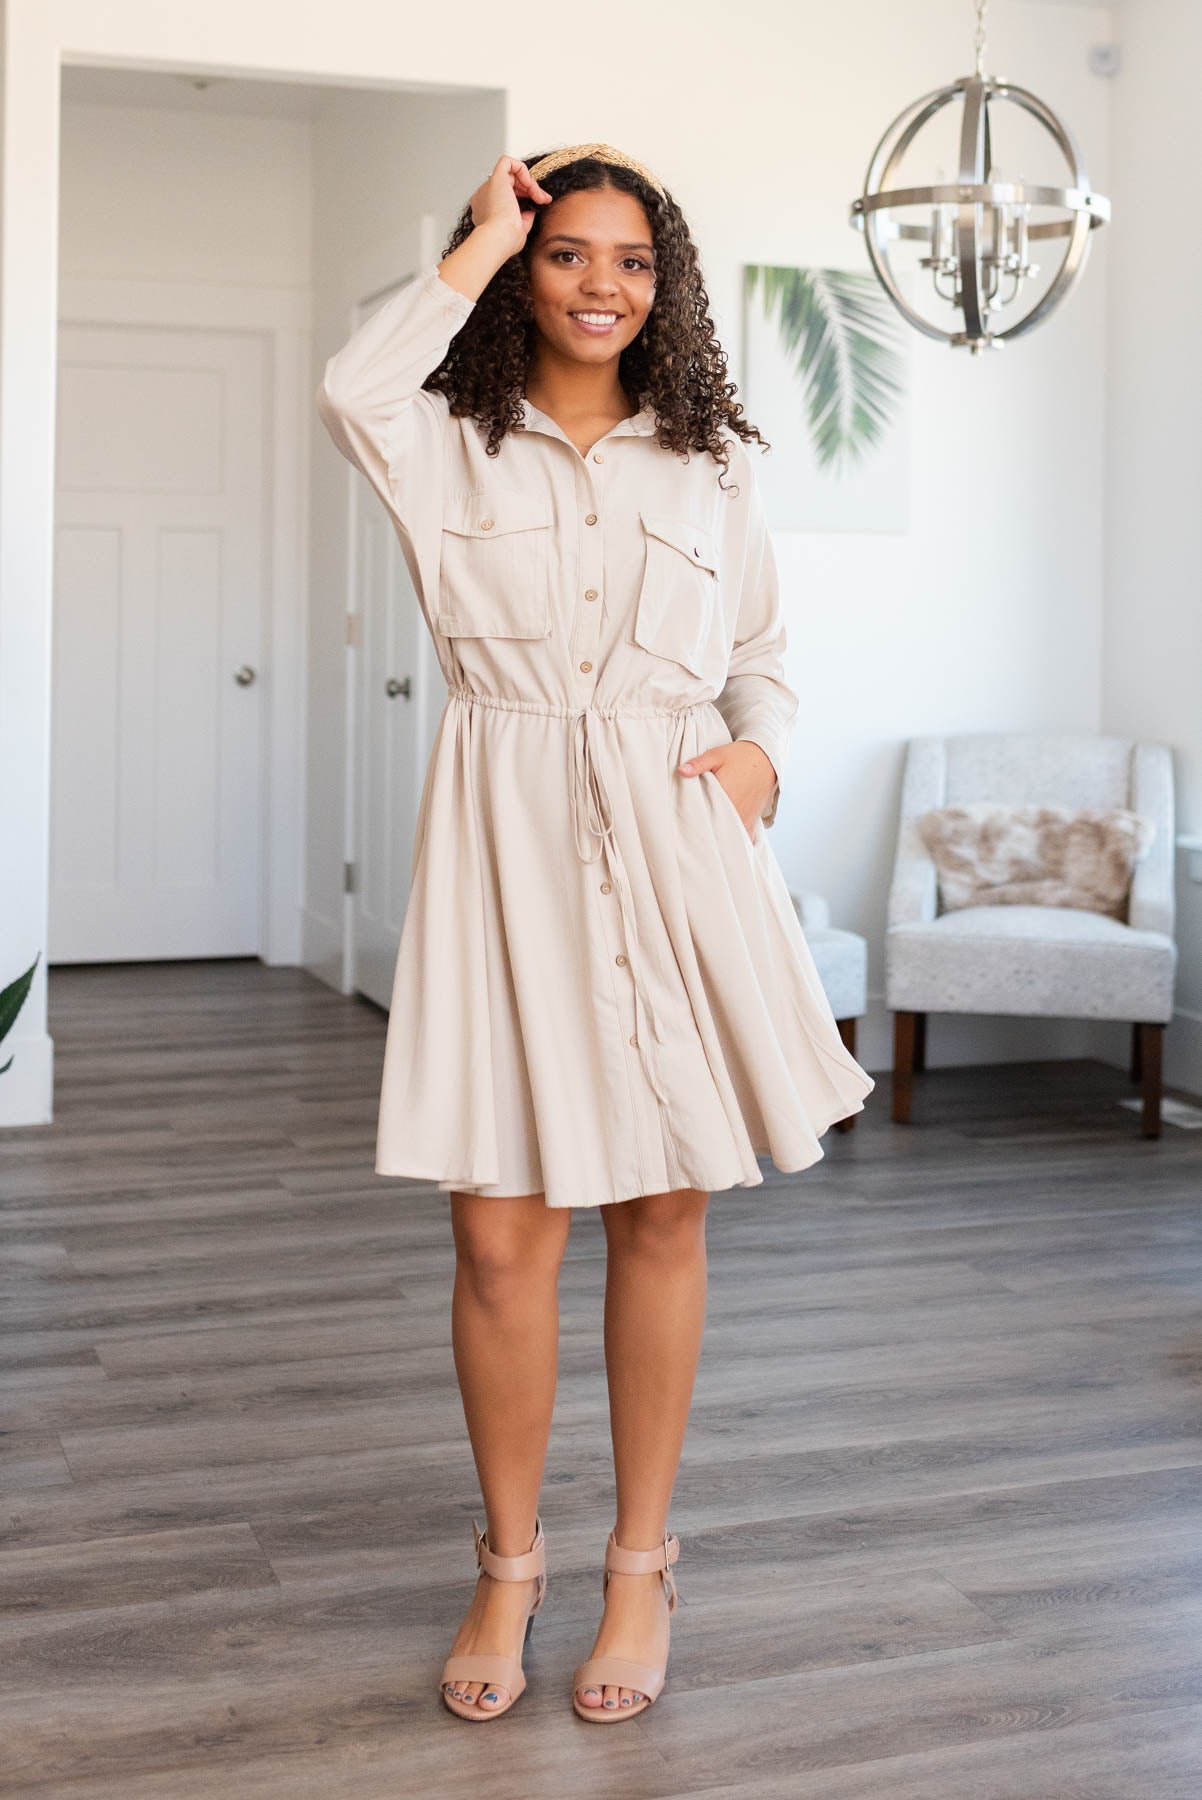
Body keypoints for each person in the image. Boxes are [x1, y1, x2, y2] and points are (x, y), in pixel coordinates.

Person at [315, 142, 875, 1726]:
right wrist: (476, 237)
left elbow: (758, 647)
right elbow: (350, 384)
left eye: (630, 259)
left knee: (662, 1215)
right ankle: (508, 1562)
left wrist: (760, 750)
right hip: (504, 839)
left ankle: (640, 1564)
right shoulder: (442, 438)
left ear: (664, 285)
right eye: (566, 253)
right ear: (519, 264)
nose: (600, 284)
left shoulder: (706, 460)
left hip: (676, 835)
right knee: (497, 1233)